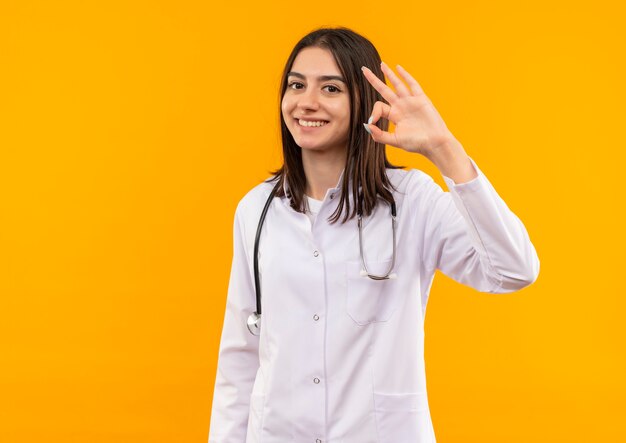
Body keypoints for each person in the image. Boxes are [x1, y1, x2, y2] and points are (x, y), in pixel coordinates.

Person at [208, 27, 540, 443]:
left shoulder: (412, 201)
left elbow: (513, 270)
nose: (306, 102)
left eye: (331, 88)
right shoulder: (256, 210)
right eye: (296, 85)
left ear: (364, 102)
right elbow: (240, 357)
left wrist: (443, 147)